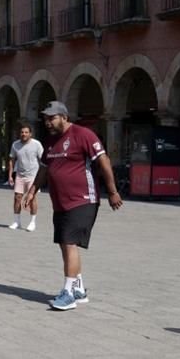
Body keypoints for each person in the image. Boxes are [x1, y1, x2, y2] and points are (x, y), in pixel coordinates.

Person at [22, 101, 123, 311]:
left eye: (52, 118)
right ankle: (79, 288)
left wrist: (112, 191)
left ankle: (68, 293)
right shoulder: (50, 143)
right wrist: (32, 191)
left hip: (83, 200)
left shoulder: (83, 135)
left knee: (69, 243)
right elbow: (44, 170)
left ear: (64, 117)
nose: (48, 122)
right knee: (65, 244)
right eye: (46, 119)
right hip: (60, 202)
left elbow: (103, 161)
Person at [7, 122, 43, 231]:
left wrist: (42, 176)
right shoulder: (15, 145)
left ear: (30, 134)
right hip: (20, 175)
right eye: (22, 132)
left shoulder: (37, 144)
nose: (24, 134)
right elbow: (11, 160)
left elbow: (43, 160)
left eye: (26, 132)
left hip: (33, 175)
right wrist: (10, 176)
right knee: (17, 198)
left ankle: (32, 222)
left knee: (32, 199)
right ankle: (17, 221)